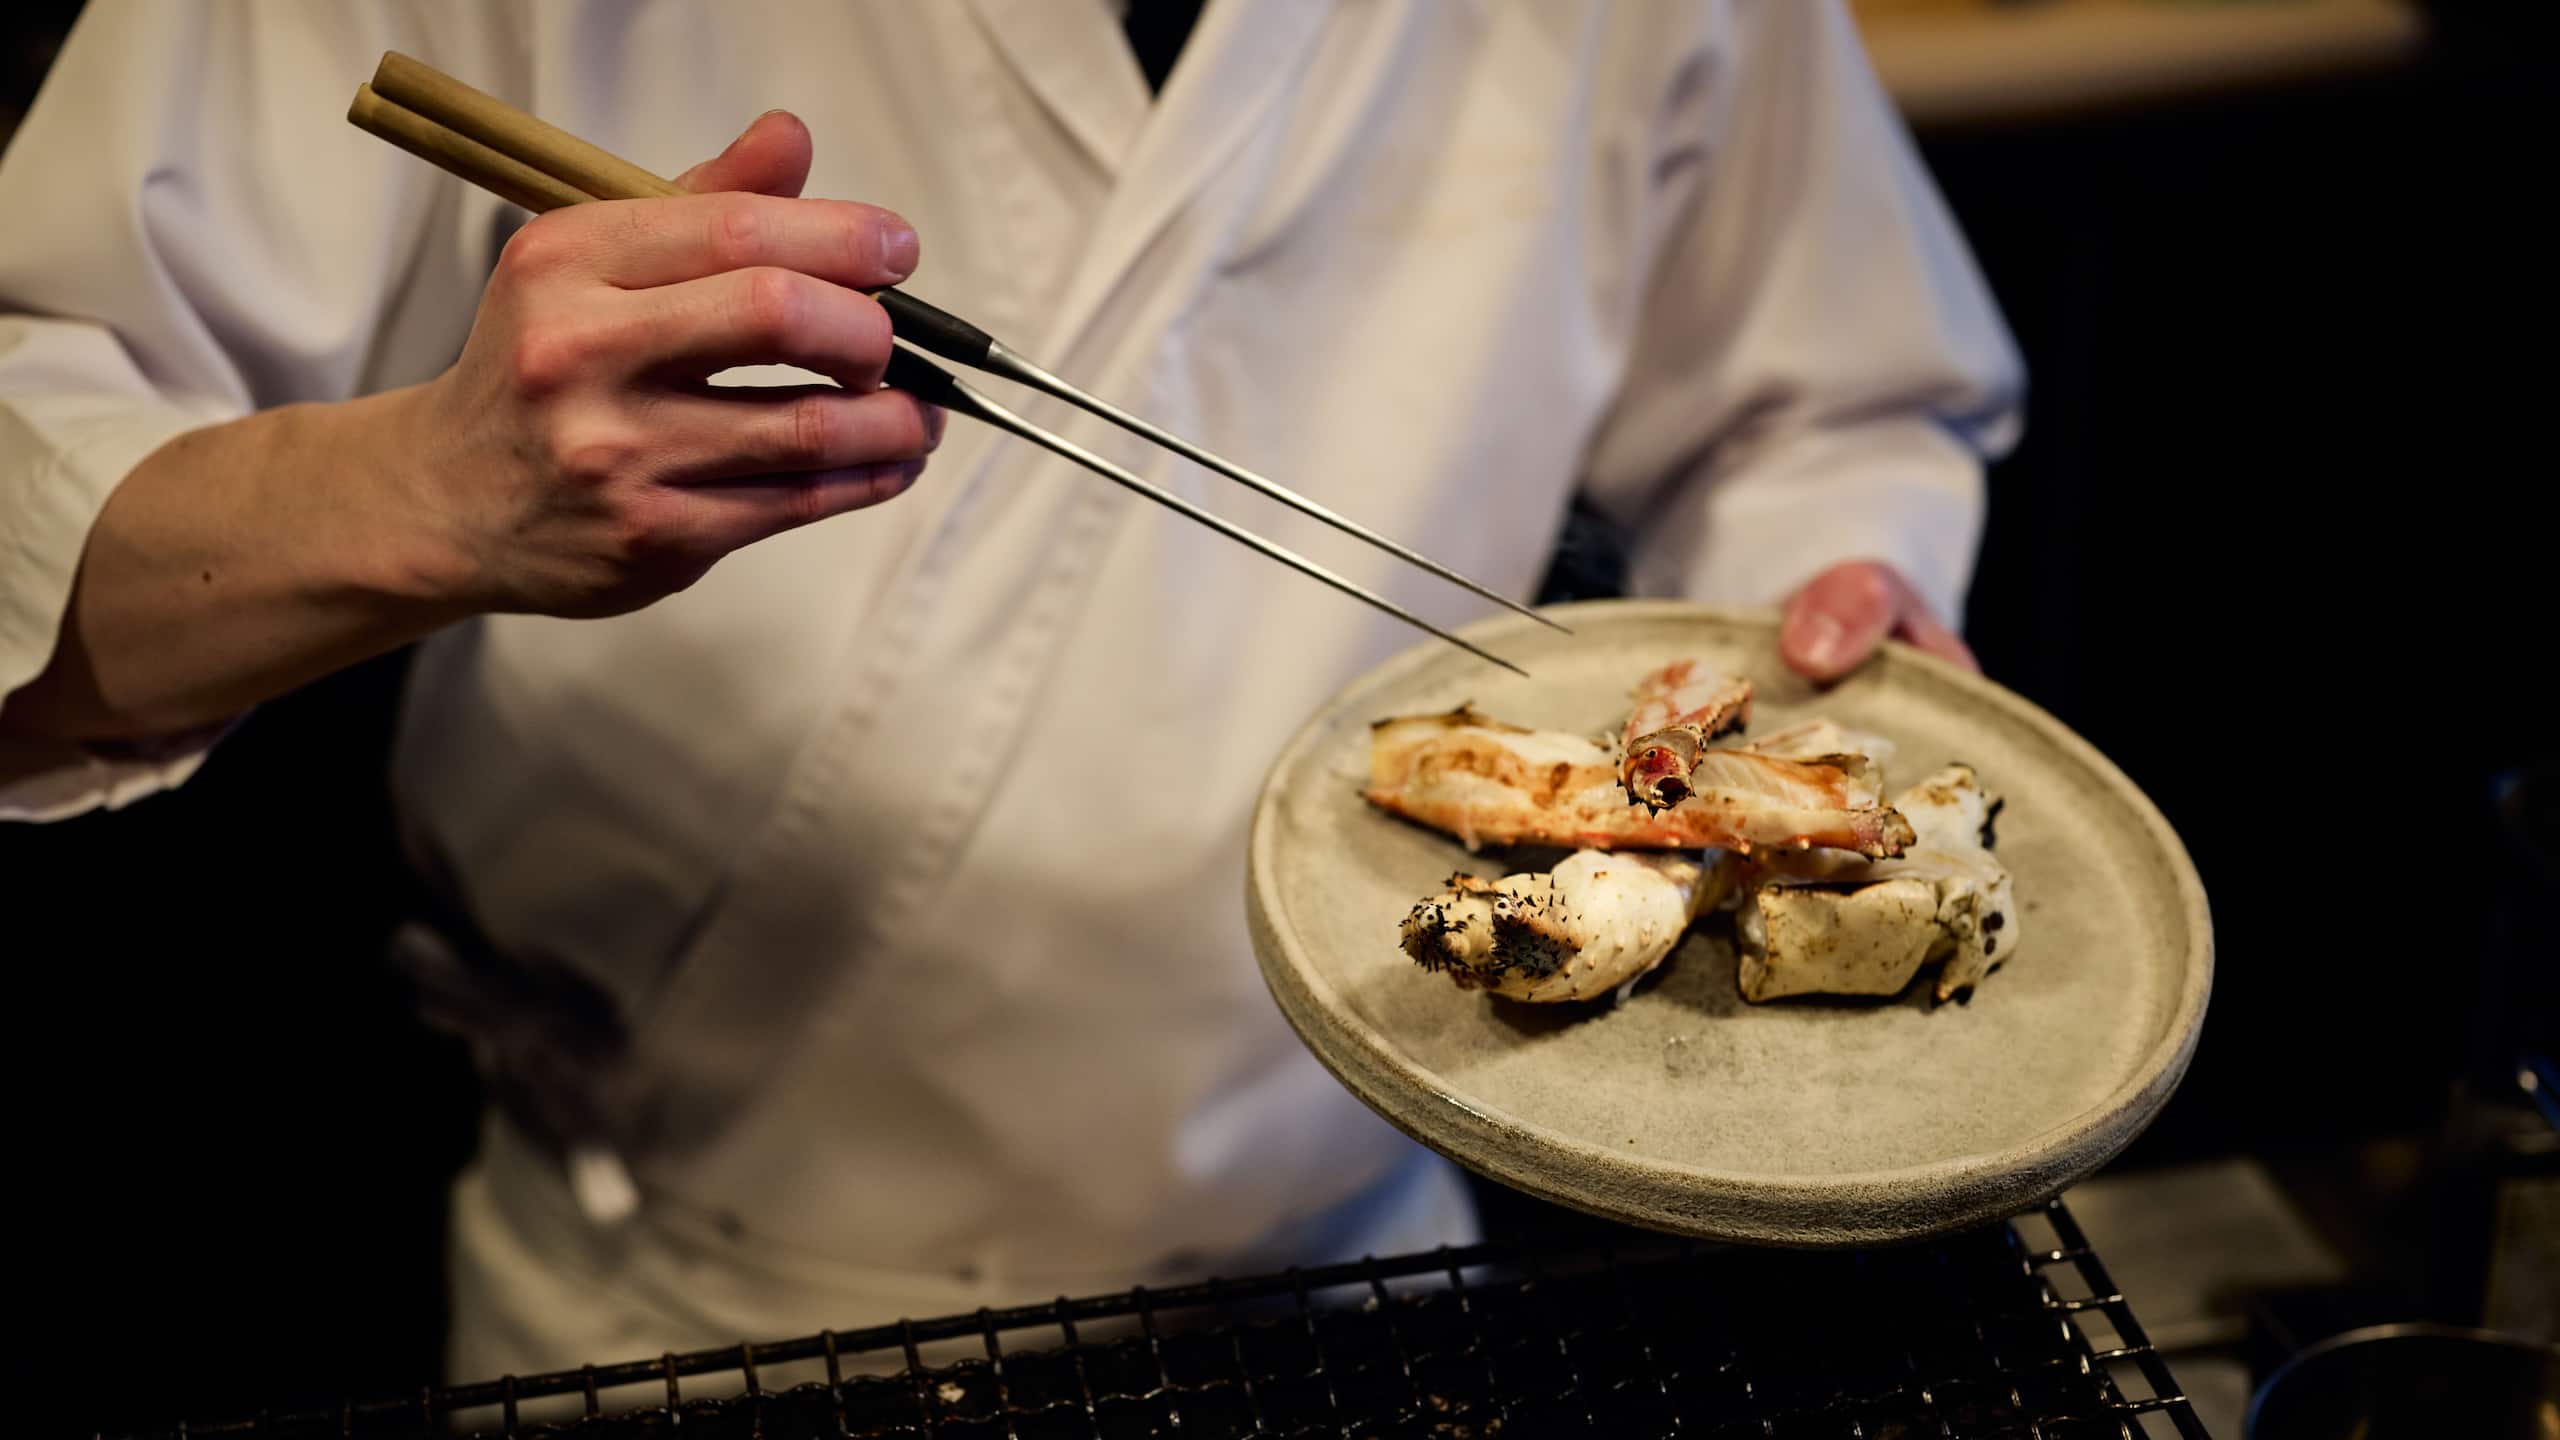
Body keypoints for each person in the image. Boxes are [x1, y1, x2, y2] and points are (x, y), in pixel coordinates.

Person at [0, 0, 2019, 1381]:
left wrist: (1821, 634)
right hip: (694, 1304)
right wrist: (427, 492)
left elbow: (1825, 392)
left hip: (1375, 1254)